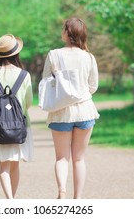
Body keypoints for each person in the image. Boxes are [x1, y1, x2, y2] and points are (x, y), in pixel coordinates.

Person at [41, 17, 99, 199]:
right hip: (84, 110)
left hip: (60, 113)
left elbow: (46, 81)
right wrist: (79, 92)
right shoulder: (89, 57)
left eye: (63, 29)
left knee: (61, 158)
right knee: (79, 158)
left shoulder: (53, 54)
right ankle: (78, 199)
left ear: (67, 32)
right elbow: (93, 86)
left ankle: (62, 191)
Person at [0, 34, 33, 199]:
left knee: (3, 168)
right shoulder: (24, 75)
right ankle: (12, 200)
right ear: (16, 54)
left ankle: (9, 200)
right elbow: (28, 103)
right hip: (20, 126)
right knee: (15, 165)